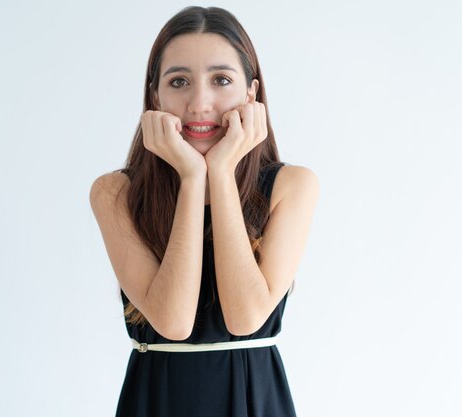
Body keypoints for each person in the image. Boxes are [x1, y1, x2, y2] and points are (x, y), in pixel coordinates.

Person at [90, 6, 319, 417]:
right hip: (157, 399)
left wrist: (222, 171)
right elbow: (173, 323)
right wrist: (193, 179)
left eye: (221, 80)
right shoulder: (115, 193)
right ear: (155, 95)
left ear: (251, 94)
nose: (199, 103)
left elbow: (245, 317)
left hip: (253, 398)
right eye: (179, 82)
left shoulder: (292, 185)